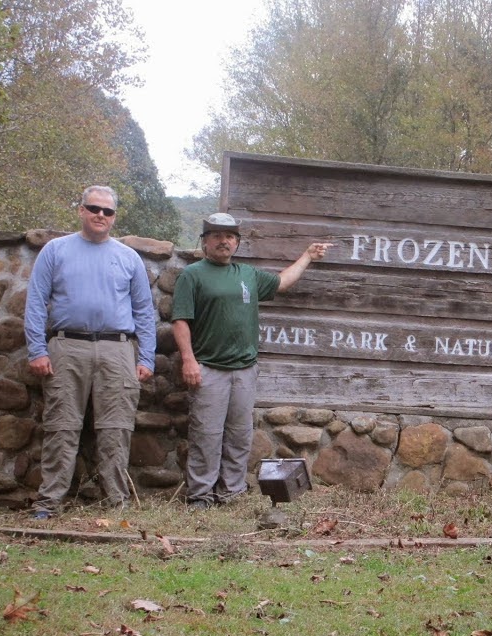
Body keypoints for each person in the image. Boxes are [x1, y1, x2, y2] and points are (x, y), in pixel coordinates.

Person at [171, 213, 332, 509]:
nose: (223, 241)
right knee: (206, 435)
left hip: (244, 370)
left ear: (236, 242)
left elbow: (282, 282)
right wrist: (188, 360)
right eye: (217, 236)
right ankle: (200, 496)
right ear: (205, 241)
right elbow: (180, 320)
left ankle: (231, 492)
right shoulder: (192, 275)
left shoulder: (247, 274)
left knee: (239, 435)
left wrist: (308, 256)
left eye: (229, 236)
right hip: (209, 369)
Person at [24, 186, 156, 519]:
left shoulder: (128, 257)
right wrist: (37, 350)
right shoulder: (55, 250)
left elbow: (144, 310)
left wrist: (146, 357)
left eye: (107, 211)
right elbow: (36, 302)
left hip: (118, 349)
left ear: (114, 217)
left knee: (116, 428)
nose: (100, 215)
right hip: (66, 346)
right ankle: (48, 503)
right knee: (61, 426)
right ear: (81, 210)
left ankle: (116, 502)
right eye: (94, 208)